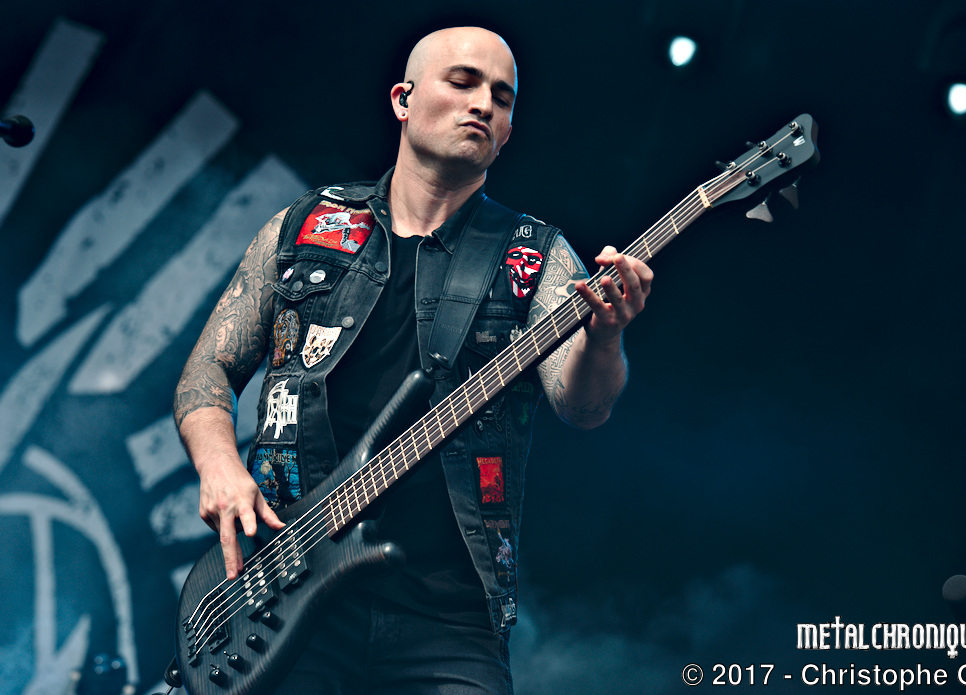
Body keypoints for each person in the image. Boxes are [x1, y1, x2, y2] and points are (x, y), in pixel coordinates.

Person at [174, 26, 652, 694]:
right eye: (463, 82)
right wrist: (220, 467)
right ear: (403, 99)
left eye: (502, 97)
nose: (483, 103)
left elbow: (584, 407)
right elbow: (207, 370)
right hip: (281, 593)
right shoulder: (304, 227)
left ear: (508, 132)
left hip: (450, 619)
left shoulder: (536, 257)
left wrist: (605, 338)